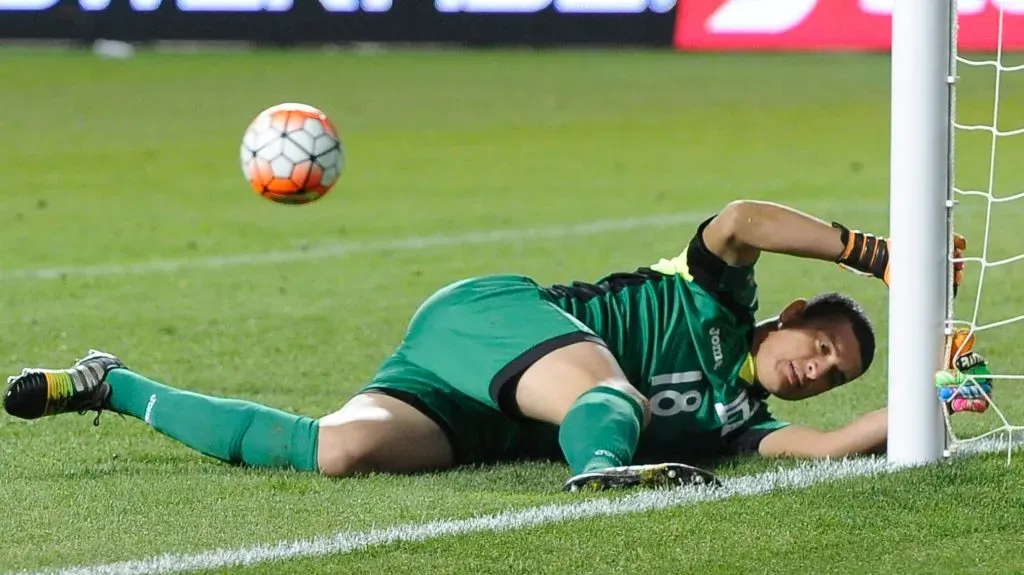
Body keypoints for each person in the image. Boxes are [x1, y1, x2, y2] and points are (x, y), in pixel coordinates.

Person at [1, 200, 971, 492]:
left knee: (333, 450)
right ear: (790, 312)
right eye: (820, 342)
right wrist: (878, 256)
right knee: (616, 406)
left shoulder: (733, 421)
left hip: (485, 396)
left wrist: (938, 385)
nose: (817, 368)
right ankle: (604, 476)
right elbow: (744, 214)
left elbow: (838, 444)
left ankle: (108, 383)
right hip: (492, 318)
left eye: (831, 374)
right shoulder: (716, 295)